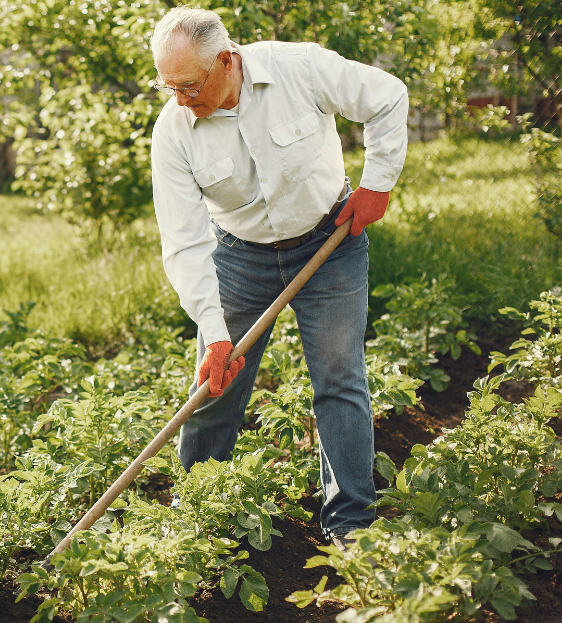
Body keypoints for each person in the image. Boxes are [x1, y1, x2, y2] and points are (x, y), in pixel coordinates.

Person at [148, 8, 408, 549]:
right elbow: (185, 240)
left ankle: (351, 523)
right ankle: (196, 515)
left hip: (328, 241)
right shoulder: (174, 131)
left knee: (339, 379)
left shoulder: (299, 68)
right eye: (167, 87)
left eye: (189, 86)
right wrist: (215, 331)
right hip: (239, 257)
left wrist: (377, 184)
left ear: (227, 61)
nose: (179, 100)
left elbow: (387, 96)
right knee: (215, 386)